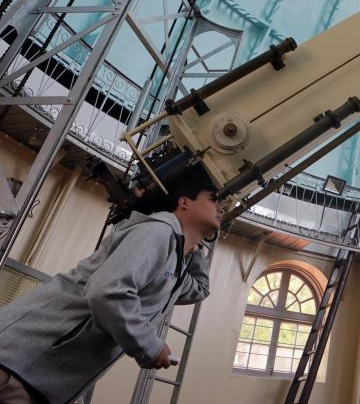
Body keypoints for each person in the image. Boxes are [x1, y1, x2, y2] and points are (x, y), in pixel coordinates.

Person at [0, 168, 222, 404]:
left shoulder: (176, 261)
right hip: (19, 364)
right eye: (213, 199)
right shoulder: (158, 232)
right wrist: (150, 346)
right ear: (184, 202)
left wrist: (194, 246)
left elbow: (200, 289)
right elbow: (108, 293)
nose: (222, 207)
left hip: (39, 379)